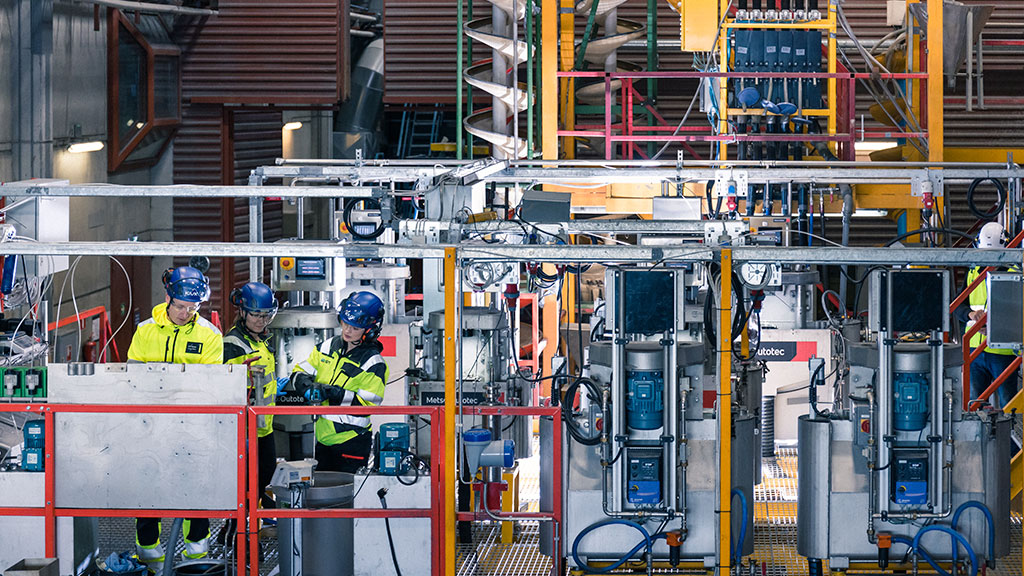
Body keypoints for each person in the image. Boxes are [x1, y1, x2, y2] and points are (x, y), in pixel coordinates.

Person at [127, 266, 223, 573]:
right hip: (150, 428)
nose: (185, 313)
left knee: (195, 494)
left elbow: (208, 386)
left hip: (192, 429)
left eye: (192, 308)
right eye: (180, 306)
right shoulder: (145, 330)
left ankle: (197, 563)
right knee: (148, 492)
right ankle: (149, 561)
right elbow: (133, 377)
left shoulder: (209, 335)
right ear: (168, 298)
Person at [290, 291, 388, 472]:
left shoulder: (373, 364)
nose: (347, 330)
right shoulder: (328, 346)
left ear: (370, 330)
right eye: (345, 323)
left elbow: (367, 406)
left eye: (355, 328)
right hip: (322, 439)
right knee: (322, 495)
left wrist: (333, 393)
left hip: (351, 443)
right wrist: (308, 388)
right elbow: (298, 372)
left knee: (346, 496)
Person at [222, 282, 281, 537]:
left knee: (264, 478)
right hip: (244, 430)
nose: (261, 320)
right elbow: (225, 387)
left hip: (263, 427)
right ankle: (233, 536)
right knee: (245, 487)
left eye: (266, 314)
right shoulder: (233, 344)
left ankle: (256, 527)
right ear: (243, 312)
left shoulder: (262, 339)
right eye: (256, 314)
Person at [954, 222, 1020, 408]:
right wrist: (971, 314)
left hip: (1003, 352)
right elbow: (957, 305)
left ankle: (1009, 437)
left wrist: (994, 326)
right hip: (974, 351)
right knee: (974, 406)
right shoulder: (972, 273)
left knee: (1009, 407)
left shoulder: (1016, 274)